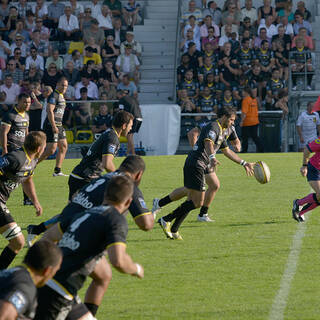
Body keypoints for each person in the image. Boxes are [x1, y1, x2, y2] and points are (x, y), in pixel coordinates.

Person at [28, 156, 151, 317]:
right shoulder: (115, 219)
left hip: (52, 270)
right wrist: (136, 269)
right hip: (58, 292)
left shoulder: (87, 209)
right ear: (128, 202)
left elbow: (47, 237)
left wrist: (34, 270)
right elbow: (119, 260)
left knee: (103, 275)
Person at [157, 107, 254, 239]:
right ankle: (166, 219)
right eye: (231, 120)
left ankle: (174, 229)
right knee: (197, 202)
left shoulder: (223, 130)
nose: (233, 123)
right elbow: (208, 144)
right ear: (224, 117)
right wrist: (213, 158)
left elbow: (227, 151)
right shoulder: (213, 127)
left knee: (191, 199)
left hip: (197, 164)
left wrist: (244, 163)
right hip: (196, 164)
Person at [0, 131, 46, 269]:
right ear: (39, 149)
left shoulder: (32, 161)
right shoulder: (15, 158)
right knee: (18, 241)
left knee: (17, 242)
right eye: (44, 147)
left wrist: (35, 201)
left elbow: (27, 180)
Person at [68, 110, 133, 200]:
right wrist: (119, 179)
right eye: (130, 126)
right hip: (85, 179)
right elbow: (107, 164)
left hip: (78, 176)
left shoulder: (109, 133)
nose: (130, 129)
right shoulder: (112, 138)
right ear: (124, 125)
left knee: (72, 211)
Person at [0, 240, 62, 320]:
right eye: (55, 271)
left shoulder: (13, 273)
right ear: (47, 271)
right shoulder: (25, 286)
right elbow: (4, 314)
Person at [38, 77, 69, 176]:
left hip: (59, 125)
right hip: (52, 125)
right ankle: (31, 165)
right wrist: (53, 126)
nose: (65, 87)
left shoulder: (61, 96)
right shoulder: (54, 95)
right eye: (63, 85)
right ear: (58, 85)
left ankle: (57, 171)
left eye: (66, 86)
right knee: (51, 150)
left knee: (63, 146)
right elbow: (49, 110)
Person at [292, 137, 320, 222]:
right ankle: (298, 203)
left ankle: (300, 210)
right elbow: (307, 149)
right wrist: (304, 166)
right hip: (314, 169)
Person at [117, 90, 142, 155]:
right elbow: (139, 108)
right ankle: (127, 153)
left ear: (120, 94)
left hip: (133, 118)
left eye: (118, 95)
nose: (117, 96)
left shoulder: (121, 100)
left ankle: (133, 154)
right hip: (140, 118)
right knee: (130, 136)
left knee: (129, 136)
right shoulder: (133, 98)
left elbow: (121, 111)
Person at [240, 87, 264, 153]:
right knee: (255, 137)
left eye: (243, 92)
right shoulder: (254, 100)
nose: (242, 93)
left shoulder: (245, 100)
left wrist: (241, 121)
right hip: (255, 121)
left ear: (246, 92)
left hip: (247, 122)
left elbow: (244, 112)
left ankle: (244, 150)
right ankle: (261, 148)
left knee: (244, 137)